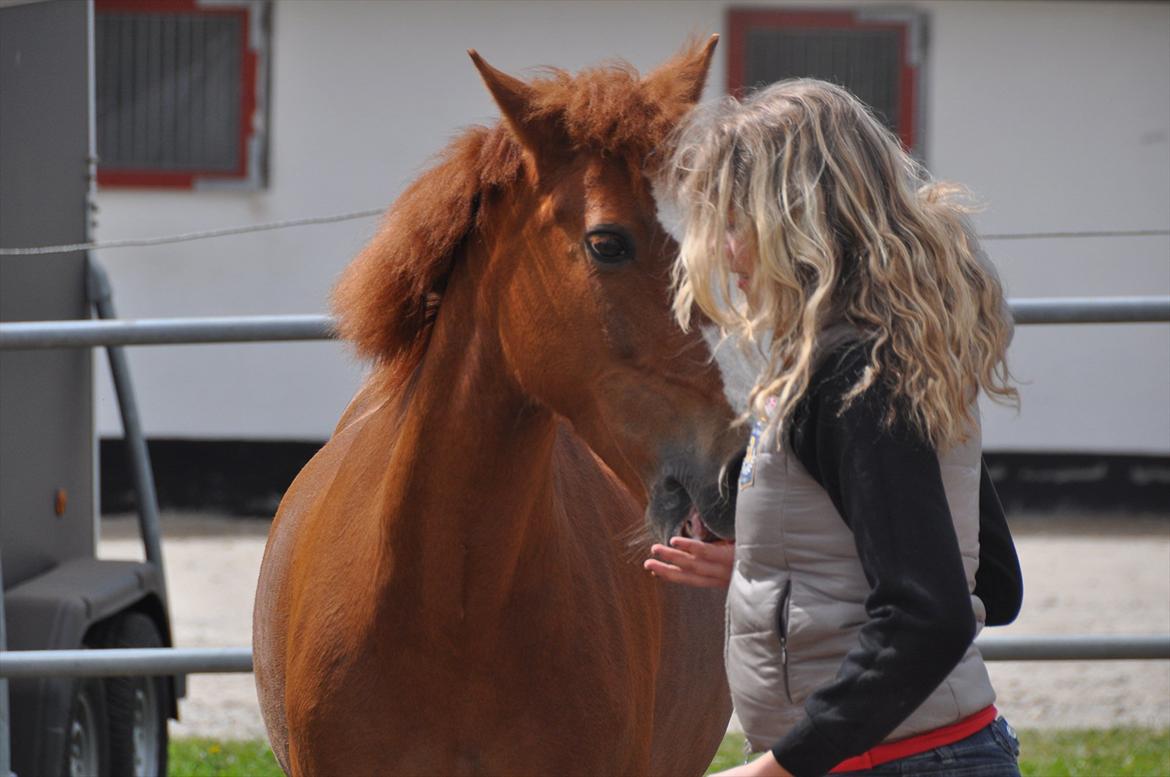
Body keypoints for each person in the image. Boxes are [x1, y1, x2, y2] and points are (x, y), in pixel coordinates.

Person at [644, 79, 1025, 777]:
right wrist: (776, 568)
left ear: (797, 223)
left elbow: (929, 614)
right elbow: (992, 582)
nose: (728, 255)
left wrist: (778, 768)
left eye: (736, 224)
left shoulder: (847, 373)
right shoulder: (902, 352)